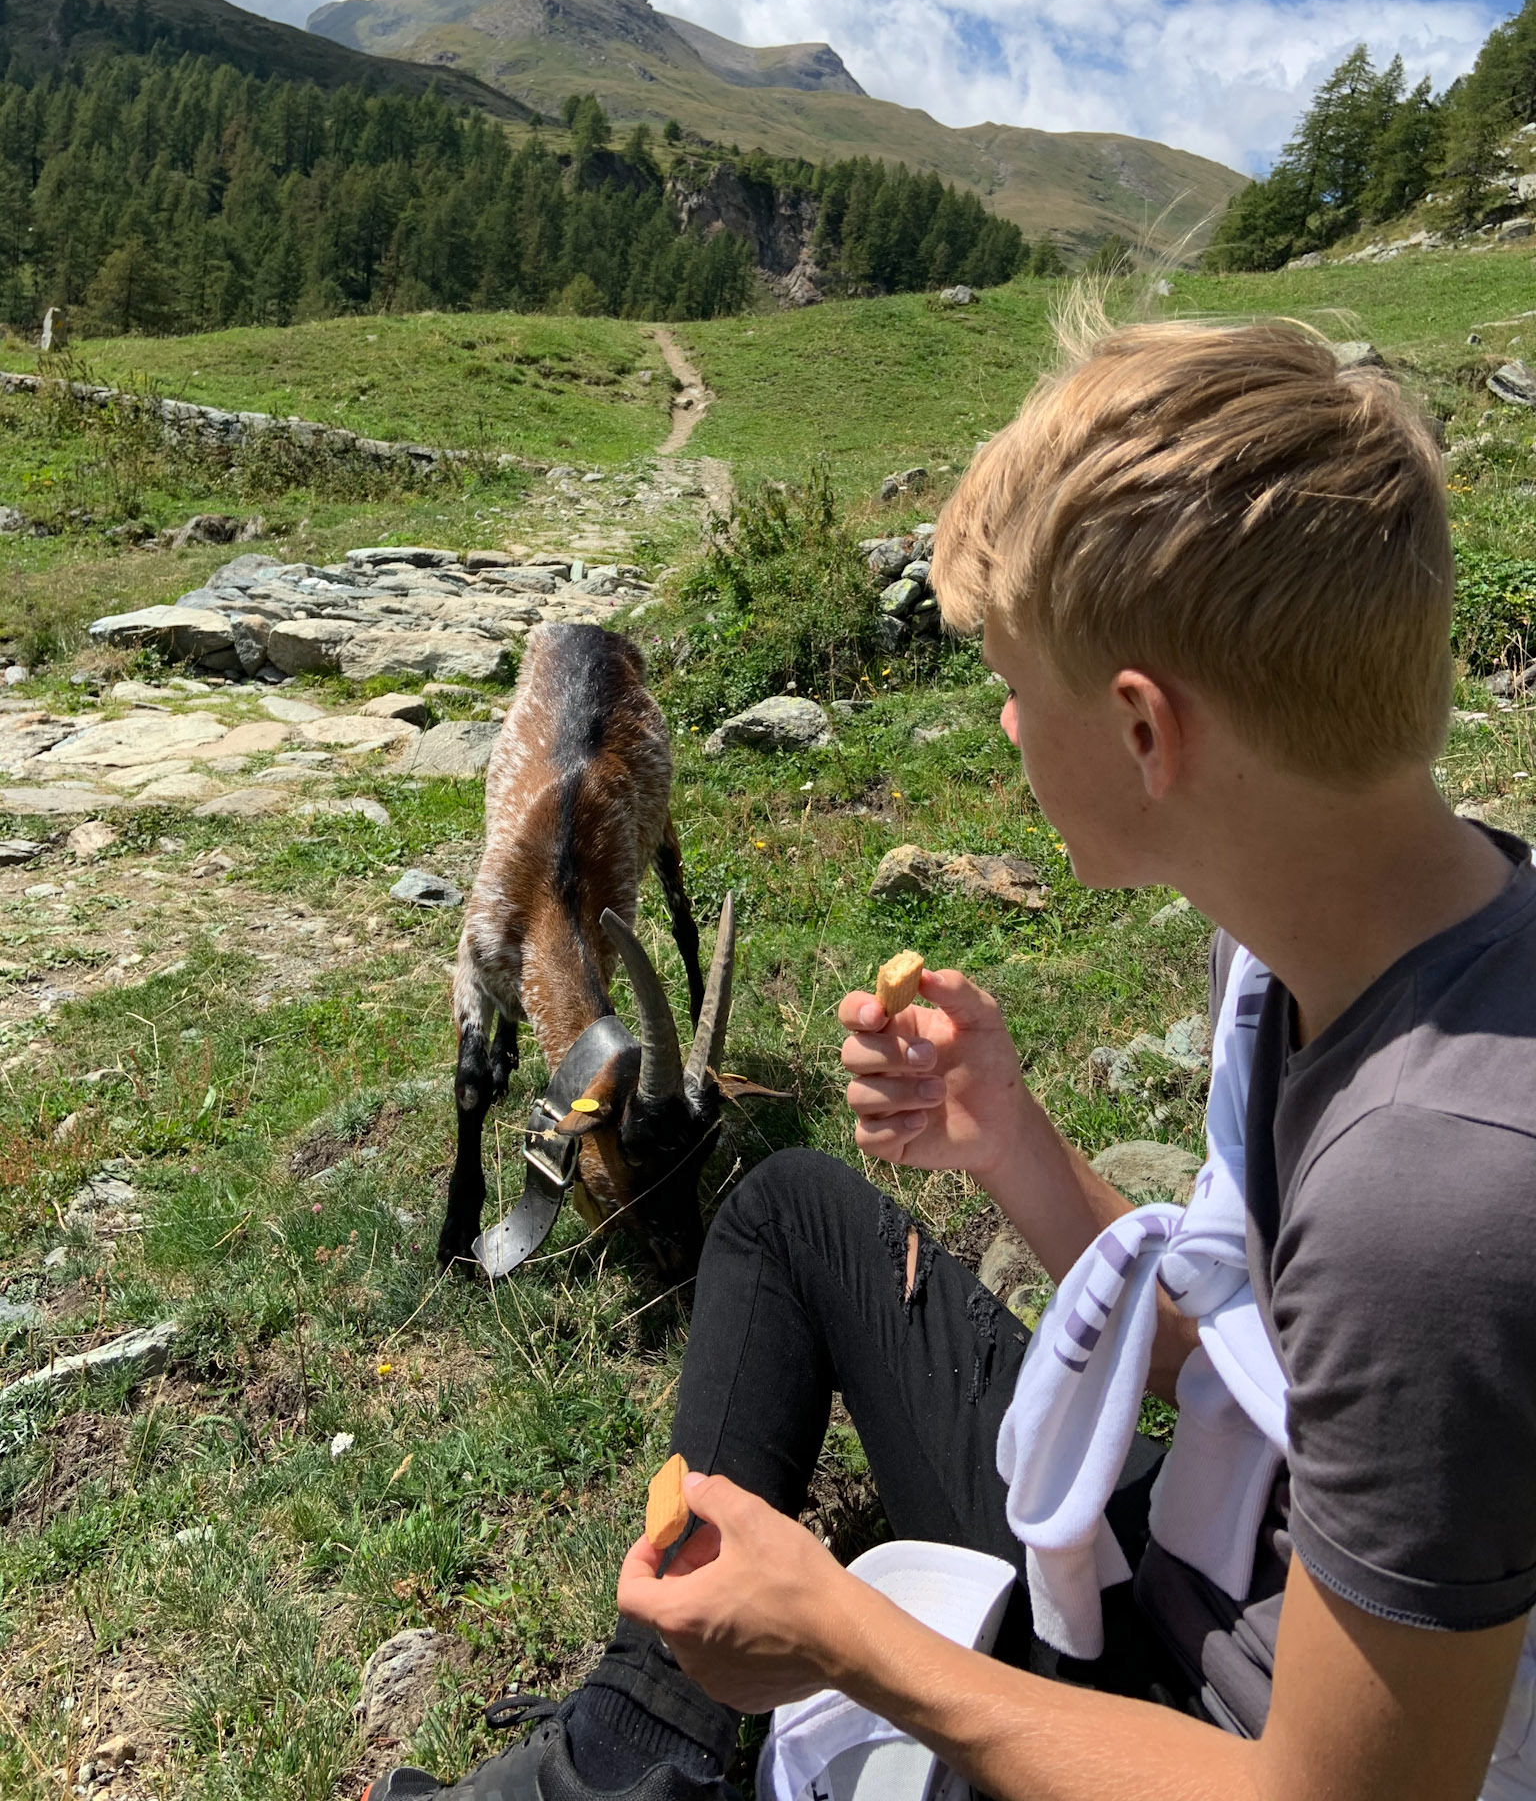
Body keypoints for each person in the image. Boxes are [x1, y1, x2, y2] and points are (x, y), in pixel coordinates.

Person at [369, 315, 1536, 1801]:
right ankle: (639, 1747)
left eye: (1013, 683)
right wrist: (1010, 1140)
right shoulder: (1324, 939)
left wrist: (847, 1639)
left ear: (1143, 731)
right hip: (1220, 1544)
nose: (1001, 721)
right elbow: (1268, 1359)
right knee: (787, 1213)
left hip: (1214, 1719)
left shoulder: (1430, 1199)